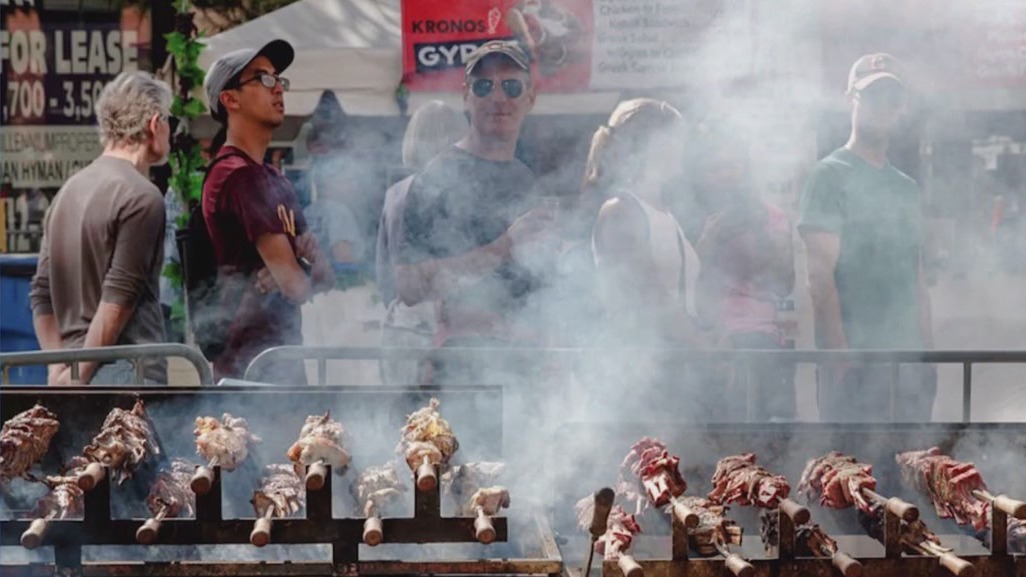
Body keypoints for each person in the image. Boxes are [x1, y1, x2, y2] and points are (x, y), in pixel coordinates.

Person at [395, 40, 557, 386]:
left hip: (526, 370)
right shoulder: (437, 177)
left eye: (511, 86)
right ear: (466, 96)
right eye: (484, 86)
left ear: (530, 97)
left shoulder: (524, 177)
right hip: (463, 373)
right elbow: (408, 285)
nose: (498, 97)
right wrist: (503, 247)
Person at [799, 53, 935, 422]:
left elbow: (916, 274)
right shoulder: (829, 176)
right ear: (851, 101)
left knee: (914, 471)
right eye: (873, 96)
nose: (884, 107)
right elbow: (819, 278)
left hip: (907, 363)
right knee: (853, 473)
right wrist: (840, 356)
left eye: (892, 98)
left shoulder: (906, 187)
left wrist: (928, 356)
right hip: (855, 365)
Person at [201, 39, 334, 383]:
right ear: (229, 99)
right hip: (250, 374)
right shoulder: (240, 176)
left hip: (281, 365)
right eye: (262, 79)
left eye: (278, 79)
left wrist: (298, 268)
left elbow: (323, 275)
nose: (278, 89)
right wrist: (298, 270)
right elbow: (298, 287)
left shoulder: (274, 179)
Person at [29, 71, 172, 385]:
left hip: (71, 372)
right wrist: (80, 374)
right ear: (154, 124)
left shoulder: (66, 192)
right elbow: (119, 298)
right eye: (168, 121)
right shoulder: (142, 196)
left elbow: (41, 294)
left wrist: (58, 369)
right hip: (129, 375)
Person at [583, 98, 710, 421]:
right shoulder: (622, 211)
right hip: (640, 374)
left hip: (674, 370)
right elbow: (652, 299)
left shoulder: (665, 211)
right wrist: (702, 347)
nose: (686, 147)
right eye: (678, 139)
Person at [692, 130, 796, 422]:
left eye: (733, 165)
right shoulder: (689, 216)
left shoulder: (770, 216)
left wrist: (761, 233)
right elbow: (684, 284)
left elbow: (785, 283)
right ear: (702, 173)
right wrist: (710, 238)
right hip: (706, 341)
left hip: (759, 339)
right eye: (716, 167)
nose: (727, 175)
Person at [376, 101, 468, 386]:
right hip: (429, 335)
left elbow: (383, 274)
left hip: (399, 329)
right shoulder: (432, 193)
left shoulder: (396, 192)